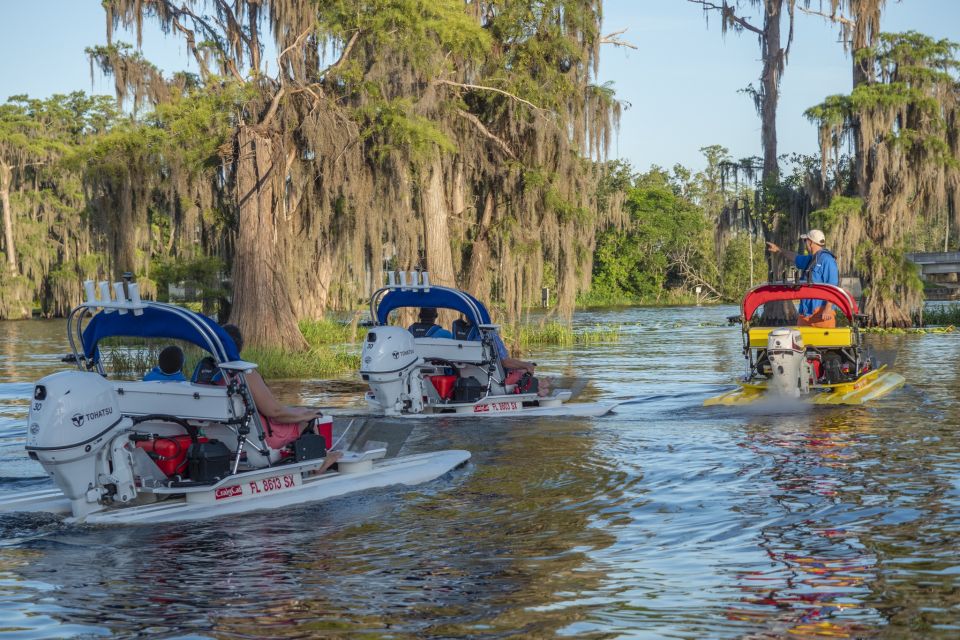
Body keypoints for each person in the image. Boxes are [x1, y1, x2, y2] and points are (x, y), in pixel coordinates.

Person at [220, 324, 341, 471]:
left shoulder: (206, 374)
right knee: (308, 417)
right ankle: (320, 462)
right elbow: (275, 413)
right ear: (240, 345)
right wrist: (304, 415)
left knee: (301, 411)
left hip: (225, 440)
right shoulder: (245, 373)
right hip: (259, 441)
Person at [767, 229, 840, 328]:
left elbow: (833, 286)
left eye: (805, 240)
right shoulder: (811, 259)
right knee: (800, 342)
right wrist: (779, 250)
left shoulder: (828, 260)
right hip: (805, 314)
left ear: (810, 242)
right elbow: (795, 257)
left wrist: (827, 309)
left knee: (824, 343)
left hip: (822, 314)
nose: (805, 243)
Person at [454, 316, 546, 394]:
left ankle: (540, 385)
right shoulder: (490, 335)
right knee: (526, 369)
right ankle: (538, 389)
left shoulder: (459, 340)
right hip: (495, 385)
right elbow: (505, 362)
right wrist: (527, 365)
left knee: (521, 370)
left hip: (468, 383)